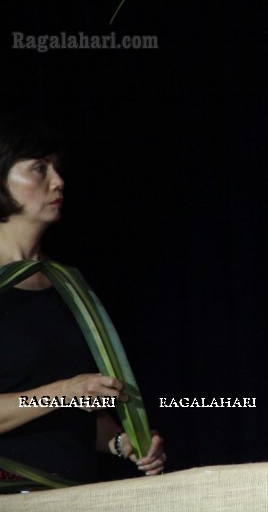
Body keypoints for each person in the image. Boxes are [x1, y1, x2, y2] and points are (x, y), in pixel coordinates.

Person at [0, 116, 166, 485]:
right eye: (39, 169)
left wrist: (124, 442)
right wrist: (63, 391)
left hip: (74, 492)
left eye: (57, 169)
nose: (58, 181)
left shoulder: (69, 284)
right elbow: (61, 395)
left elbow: (71, 411)